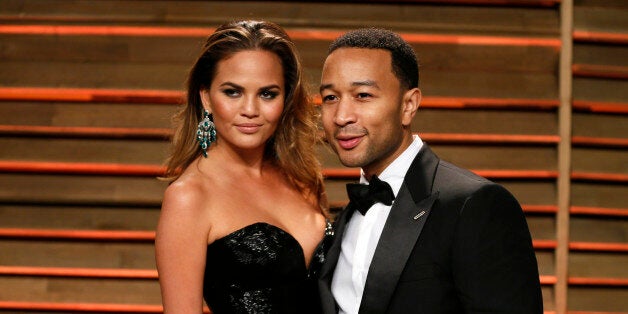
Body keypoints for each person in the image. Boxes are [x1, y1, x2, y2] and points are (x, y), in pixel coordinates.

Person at [317, 28, 543, 314]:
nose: (341, 116)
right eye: (330, 98)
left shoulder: (475, 206)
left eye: (363, 95)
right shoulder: (343, 219)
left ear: (408, 105)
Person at [155, 20, 332, 314]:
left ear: (286, 99)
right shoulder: (189, 197)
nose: (250, 110)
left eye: (267, 94)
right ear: (206, 97)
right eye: (233, 92)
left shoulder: (302, 177)